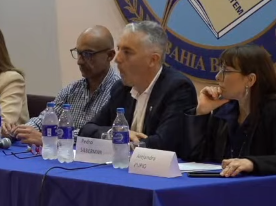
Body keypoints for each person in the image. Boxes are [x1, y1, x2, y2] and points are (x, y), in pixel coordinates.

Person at [79, 21, 196, 154]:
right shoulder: (121, 89)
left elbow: (164, 144)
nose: (117, 59)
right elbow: (86, 130)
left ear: (153, 60)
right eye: (119, 49)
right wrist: (114, 134)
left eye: (127, 52)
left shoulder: (178, 88)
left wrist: (124, 140)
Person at [187, 45, 276, 177]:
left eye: (226, 71)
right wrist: (201, 112)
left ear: (250, 79)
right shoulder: (225, 108)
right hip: (223, 183)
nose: (218, 76)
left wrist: (252, 163)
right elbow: (196, 157)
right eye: (219, 70)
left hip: (263, 186)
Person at [5, 26, 121, 146]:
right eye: (78, 53)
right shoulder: (72, 89)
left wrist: (50, 139)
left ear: (110, 55)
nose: (79, 61)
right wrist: (19, 131)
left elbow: (102, 135)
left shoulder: (120, 92)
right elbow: (44, 120)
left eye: (87, 54)